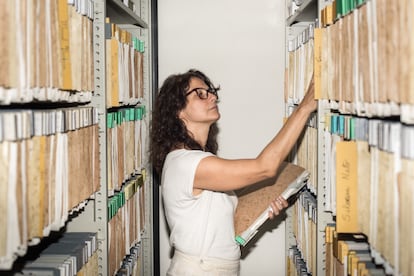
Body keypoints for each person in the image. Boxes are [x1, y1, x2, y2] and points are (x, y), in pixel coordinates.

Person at [150, 69, 317, 275]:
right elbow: (265, 167)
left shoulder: (196, 159)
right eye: (200, 93)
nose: (212, 96)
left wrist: (263, 207)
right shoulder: (186, 163)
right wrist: (305, 107)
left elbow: (218, 226)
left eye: (210, 91)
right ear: (178, 111)